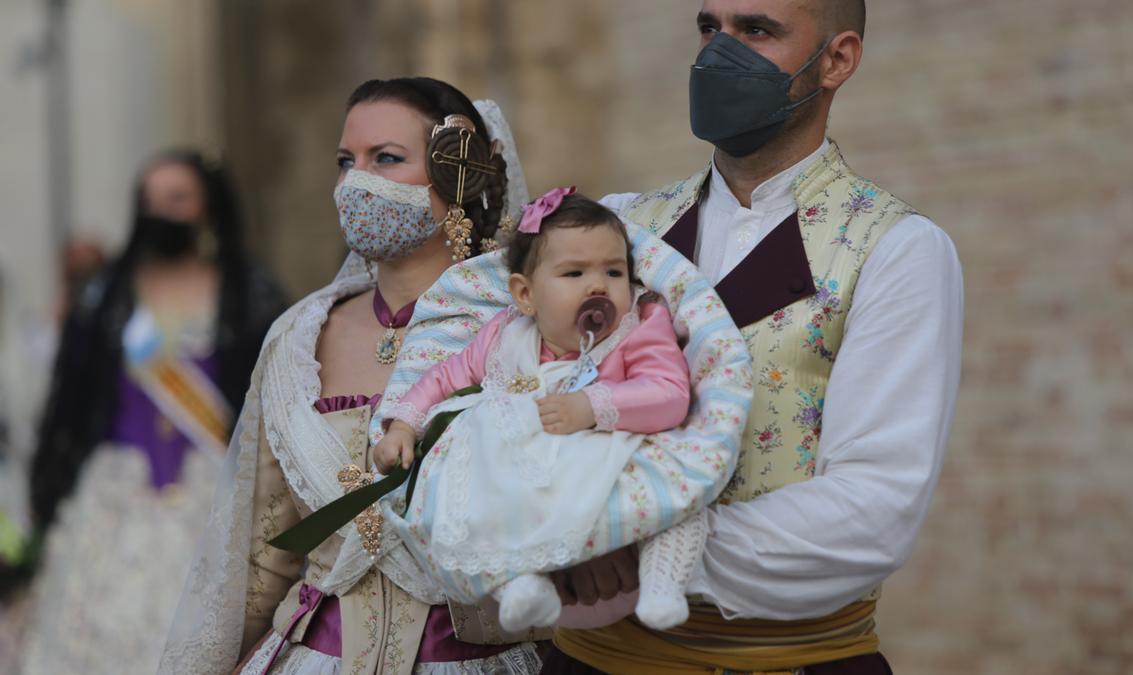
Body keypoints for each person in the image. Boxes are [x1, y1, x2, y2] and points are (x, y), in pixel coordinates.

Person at [539, 1, 965, 673]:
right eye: (710, 28)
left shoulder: (894, 250)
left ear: (837, 59)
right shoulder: (619, 227)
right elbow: (523, 401)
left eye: (756, 31)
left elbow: (873, 507)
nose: (717, 54)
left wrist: (640, 543)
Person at [160, 78, 550, 675]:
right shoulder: (298, 339)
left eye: (385, 159)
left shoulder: (529, 329)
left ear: (459, 175)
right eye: (346, 162)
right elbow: (264, 558)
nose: (354, 183)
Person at [373, 189, 712, 633]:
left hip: (615, 463)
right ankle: (517, 582)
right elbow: (444, 379)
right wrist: (403, 425)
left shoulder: (638, 328)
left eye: (614, 271)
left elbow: (669, 393)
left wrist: (592, 405)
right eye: (574, 273)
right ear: (526, 295)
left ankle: (664, 578)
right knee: (472, 472)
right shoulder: (506, 337)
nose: (598, 285)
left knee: (681, 483)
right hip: (535, 482)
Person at [19, 149, 288, 674]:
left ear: (207, 207)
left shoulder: (249, 296)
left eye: (176, 198)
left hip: (214, 498)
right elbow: (68, 404)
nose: (158, 211)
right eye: (149, 200)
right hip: (116, 499)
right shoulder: (104, 297)